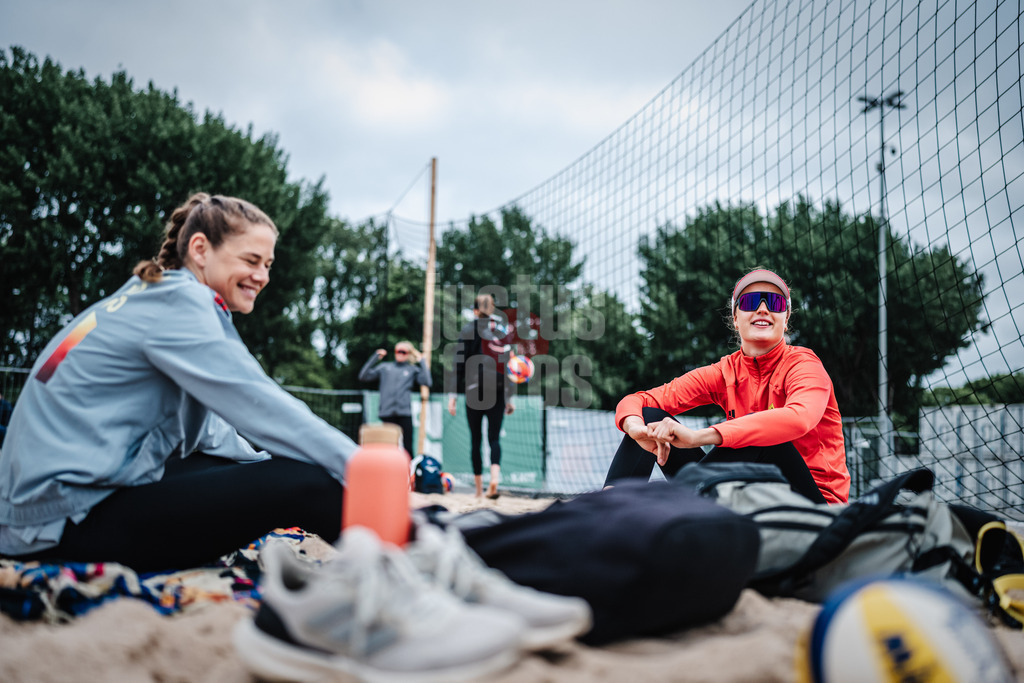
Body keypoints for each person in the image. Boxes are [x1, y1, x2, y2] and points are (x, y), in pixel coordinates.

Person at [0, 193, 357, 572]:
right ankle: (403, 554)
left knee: (269, 467)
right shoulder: (180, 304)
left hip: (34, 508)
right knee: (307, 483)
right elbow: (260, 404)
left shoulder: (148, 296)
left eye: (268, 264)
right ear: (200, 249)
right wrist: (358, 465)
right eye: (251, 261)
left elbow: (217, 437)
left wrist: (268, 468)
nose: (263, 276)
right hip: (56, 522)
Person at [604, 268, 850, 504]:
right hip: (749, 492)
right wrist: (636, 428)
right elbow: (638, 401)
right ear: (735, 318)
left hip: (814, 504)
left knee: (763, 433)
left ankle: (674, 505)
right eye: (751, 301)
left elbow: (799, 419)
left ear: (785, 319)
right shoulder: (725, 371)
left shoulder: (804, 365)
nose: (763, 309)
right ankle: (606, 512)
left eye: (774, 303)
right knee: (649, 417)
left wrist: (698, 437)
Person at [447, 293, 516, 499]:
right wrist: (510, 396)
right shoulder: (501, 331)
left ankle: (478, 490)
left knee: (475, 440)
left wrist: (453, 395)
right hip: (498, 387)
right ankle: (494, 478)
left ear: (475, 310)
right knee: (494, 438)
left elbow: (458, 363)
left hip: (474, 389)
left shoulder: (468, 329)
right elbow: (509, 364)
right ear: (492, 309)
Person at [358, 341, 432, 457]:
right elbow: (363, 376)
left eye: (403, 352)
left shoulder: (412, 369)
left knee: (407, 446)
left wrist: (422, 361)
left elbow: (427, 381)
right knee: (389, 447)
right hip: (387, 413)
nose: (400, 354)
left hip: (404, 413)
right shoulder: (385, 367)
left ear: (408, 354)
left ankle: (409, 473)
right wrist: (375, 357)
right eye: (397, 351)